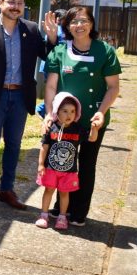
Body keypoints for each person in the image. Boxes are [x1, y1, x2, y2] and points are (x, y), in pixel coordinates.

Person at [0, 0, 57, 211]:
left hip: (20, 96)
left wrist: (52, 38)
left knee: (14, 145)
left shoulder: (31, 30)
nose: (15, 7)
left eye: (19, 3)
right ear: (0, 3)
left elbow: (47, 55)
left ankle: (6, 190)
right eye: (11, 2)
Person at [43, 6, 121, 226]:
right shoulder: (59, 51)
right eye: (74, 21)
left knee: (87, 165)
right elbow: (50, 85)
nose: (79, 25)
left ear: (92, 23)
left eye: (84, 20)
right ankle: (61, 210)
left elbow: (113, 87)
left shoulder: (105, 51)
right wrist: (50, 113)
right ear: (67, 26)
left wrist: (101, 112)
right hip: (64, 122)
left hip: (92, 121)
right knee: (62, 163)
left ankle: (79, 212)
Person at [36, 92, 96, 230]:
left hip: (69, 172)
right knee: (48, 191)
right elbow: (44, 147)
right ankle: (44, 215)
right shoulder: (51, 128)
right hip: (50, 169)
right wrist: (40, 165)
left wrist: (94, 128)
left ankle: (62, 217)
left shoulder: (78, 129)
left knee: (64, 193)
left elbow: (92, 138)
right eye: (65, 111)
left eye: (73, 111)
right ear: (57, 111)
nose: (69, 115)